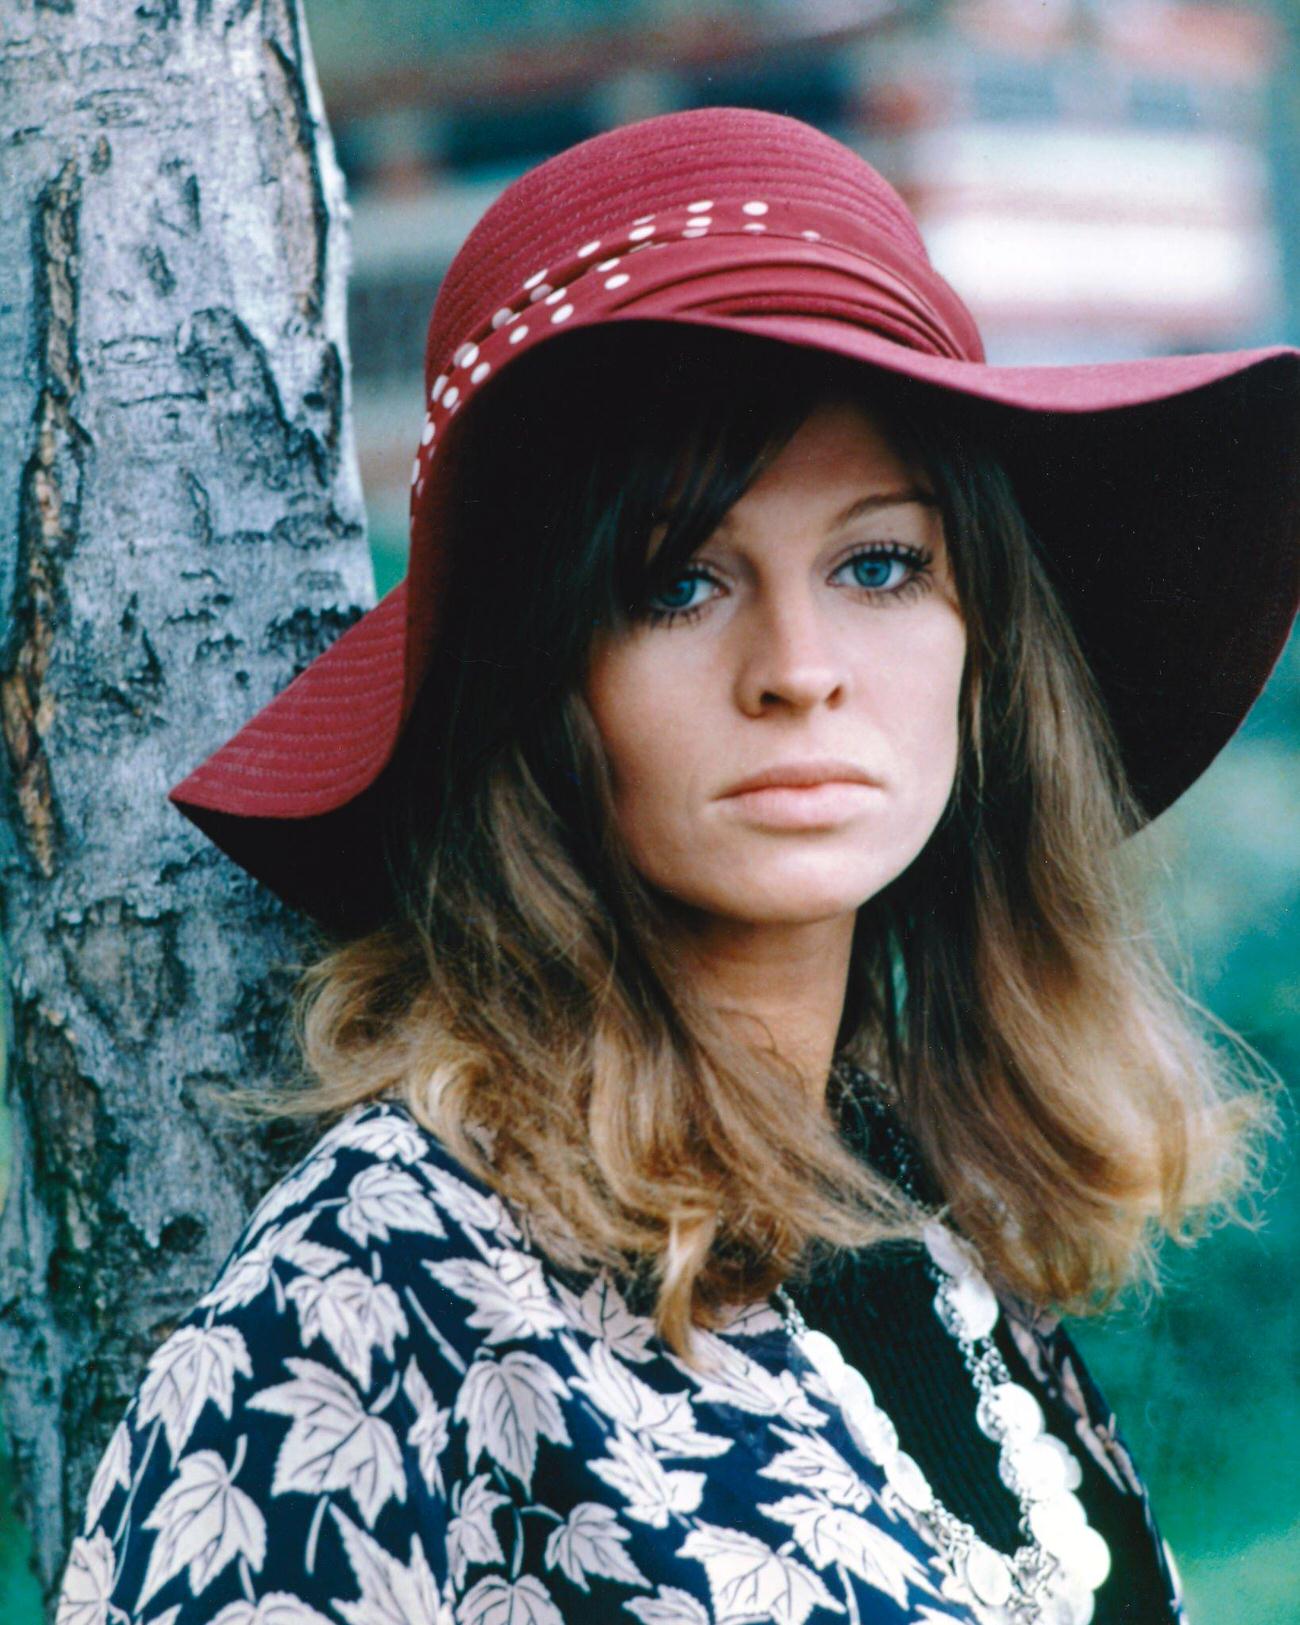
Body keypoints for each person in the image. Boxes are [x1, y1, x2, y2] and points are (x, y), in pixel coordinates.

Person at [55, 107, 1300, 1625]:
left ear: (985, 645)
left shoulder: (926, 1214)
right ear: (534, 686)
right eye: (678, 583)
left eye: (880, 564)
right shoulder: (375, 1291)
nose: (798, 669)